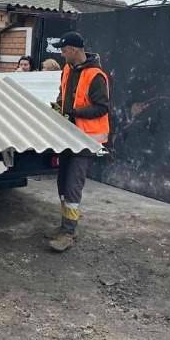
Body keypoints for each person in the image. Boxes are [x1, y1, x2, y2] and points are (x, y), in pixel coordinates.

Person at [47, 31, 110, 252]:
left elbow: (102, 107)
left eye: (64, 51)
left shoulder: (96, 75)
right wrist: (58, 106)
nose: (63, 55)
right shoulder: (67, 70)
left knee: (73, 185)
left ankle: (69, 232)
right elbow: (63, 94)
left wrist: (74, 112)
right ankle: (65, 225)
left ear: (74, 50)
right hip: (67, 135)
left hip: (85, 140)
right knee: (62, 182)